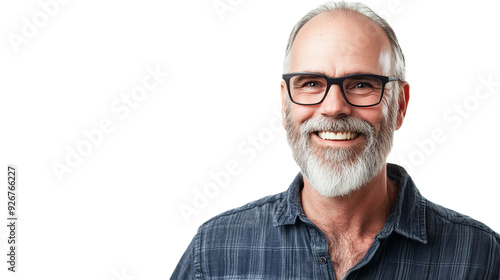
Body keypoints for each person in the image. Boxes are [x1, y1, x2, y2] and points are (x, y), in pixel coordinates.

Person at [171, 2, 500, 279]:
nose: (333, 107)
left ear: (399, 104)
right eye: (312, 83)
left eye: (361, 84)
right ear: (286, 104)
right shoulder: (214, 253)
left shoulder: (479, 258)